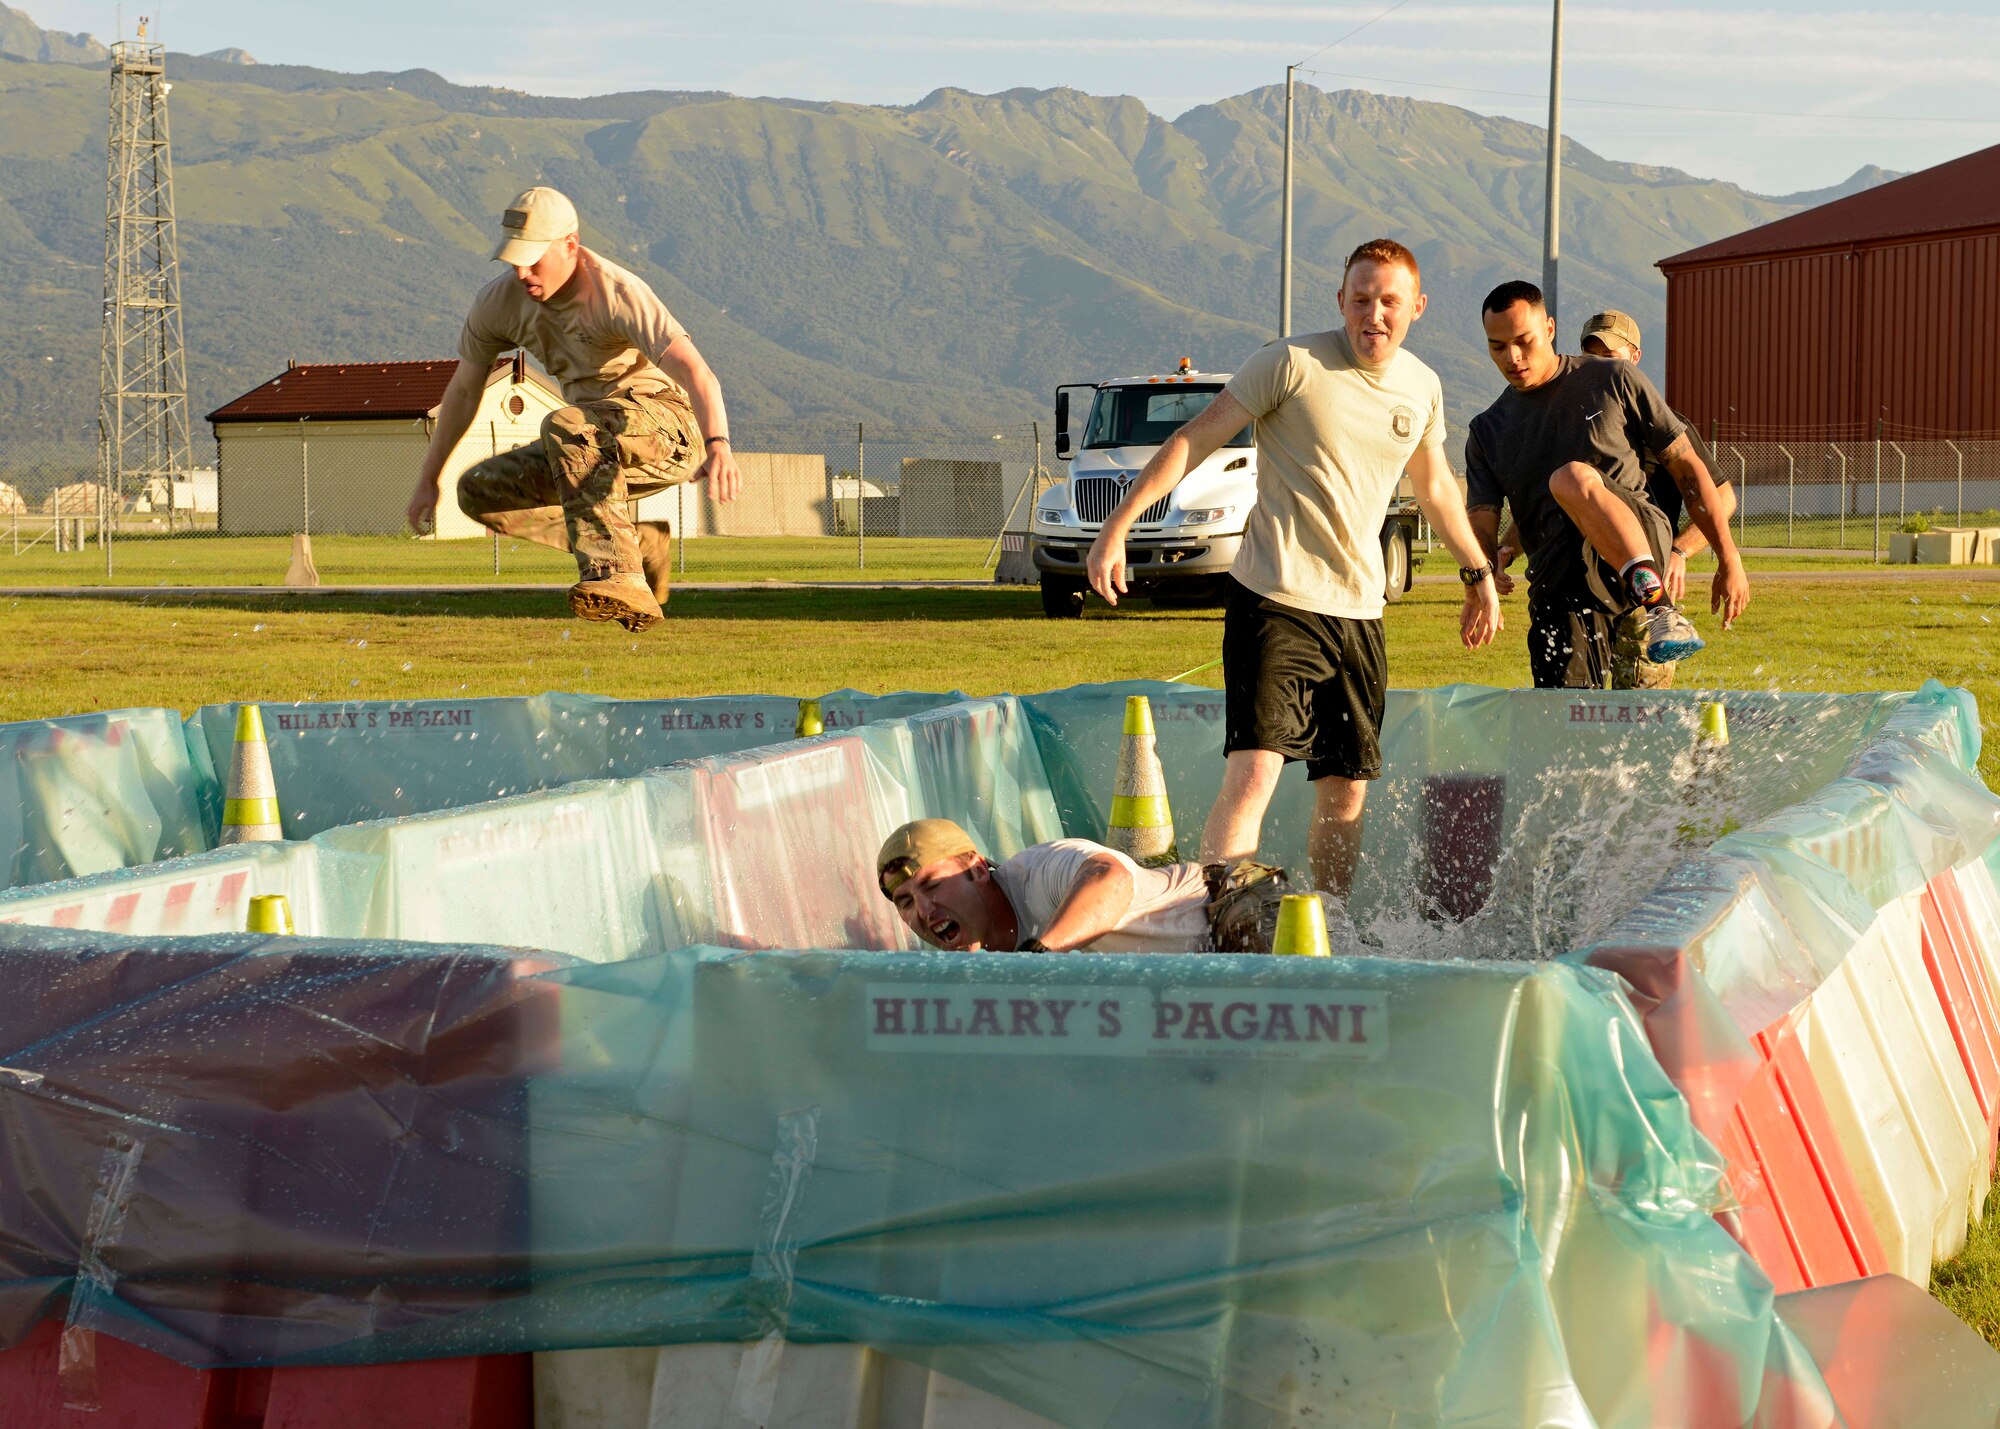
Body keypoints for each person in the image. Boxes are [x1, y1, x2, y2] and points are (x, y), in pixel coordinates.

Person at [1085, 238, 1501, 899]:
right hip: (1274, 599)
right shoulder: (1291, 363)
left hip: (1360, 611)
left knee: (1346, 790)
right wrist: (1118, 524)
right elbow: (1194, 438)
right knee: (1253, 774)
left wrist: (1478, 573)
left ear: (1416, 307)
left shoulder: (1422, 386)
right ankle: (1220, 925)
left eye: (1390, 301)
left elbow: (1436, 487)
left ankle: (1328, 921)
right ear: (1341, 300)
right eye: (1361, 299)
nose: (1374, 314)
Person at [404, 186, 742, 631]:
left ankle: (618, 576)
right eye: (513, 259)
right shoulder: (498, 303)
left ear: (570, 246)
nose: (522, 272)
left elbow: (698, 373)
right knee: (481, 490)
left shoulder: (616, 292)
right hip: (584, 443)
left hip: (668, 427)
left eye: (534, 258)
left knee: (566, 423)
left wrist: (719, 444)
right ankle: (636, 547)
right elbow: (465, 391)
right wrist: (430, 478)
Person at [1465, 282, 1749, 690]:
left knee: (1571, 477)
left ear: (1549, 328)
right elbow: (1481, 523)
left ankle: (1660, 609)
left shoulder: (1614, 379)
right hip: (1560, 589)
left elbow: (1690, 472)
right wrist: (1483, 573)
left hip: (1638, 559)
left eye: (1524, 341)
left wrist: (1728, 556)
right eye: (1498, 347)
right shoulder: (1488, 430)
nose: (1513, 357)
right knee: (1568, 738)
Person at [876, 818, 1292, 954]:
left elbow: (1111, 879)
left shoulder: (1039, 872)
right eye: (905, 902)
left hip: (1234, 904)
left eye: (932, 884)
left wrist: (1042, 956)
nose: (924, 912)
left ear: (978, 870)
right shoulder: (978, 956)